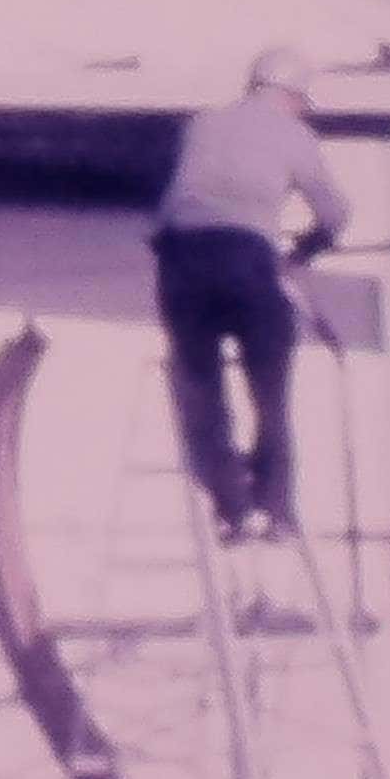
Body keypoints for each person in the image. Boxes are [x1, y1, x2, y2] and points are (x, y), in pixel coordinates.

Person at [154, 45, 350, 542]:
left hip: (179, 258)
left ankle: (232, 508)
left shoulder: (203, 123)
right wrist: (306, 248)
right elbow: (335, 213)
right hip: (245, 257)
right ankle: (275, 507)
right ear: (292, 96)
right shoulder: (293, 133)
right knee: (269, 390)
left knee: (201, 388)